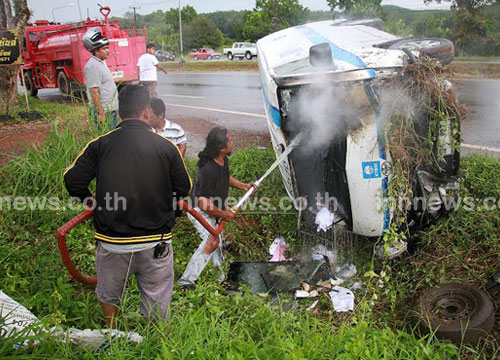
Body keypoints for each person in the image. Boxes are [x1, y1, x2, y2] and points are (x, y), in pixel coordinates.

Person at [64, 85, 192, 327]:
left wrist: (91, 202)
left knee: (109, 291)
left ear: (121, 111)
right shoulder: (167, 147)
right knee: (157, 293)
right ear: (146, 110)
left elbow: (72, 180)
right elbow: (184, 188)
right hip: (156, 240)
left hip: (113, 242)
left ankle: (112, 334)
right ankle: (155, 337)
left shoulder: (100, 145)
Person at [178, 127, 253, 288]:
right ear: (220, 147)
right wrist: (224, 214)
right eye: (230, 140)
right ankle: (186, 281)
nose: (232, 142)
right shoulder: (208, 169)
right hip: (199, 211)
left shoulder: (222, 160)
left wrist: (243, 186)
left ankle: (220, 278)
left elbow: (225, 177)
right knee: (211, 241)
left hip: (214, 209)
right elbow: (203, 203)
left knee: (216, 242)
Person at [82, 27, 119, 128]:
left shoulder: (101, 63)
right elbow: (94, 91)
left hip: (109, 109)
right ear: (96, 51)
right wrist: (101, 113)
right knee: (106, 139)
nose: (108, 51)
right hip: (103, 110)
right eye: (104, 49)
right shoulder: (93, 66)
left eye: (108, 48)